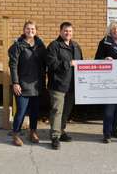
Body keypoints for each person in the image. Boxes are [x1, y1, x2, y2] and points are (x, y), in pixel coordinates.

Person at [8, 20, 46, 147]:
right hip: (22, 84)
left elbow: (45, 62)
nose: (30, 31)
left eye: (33, 29)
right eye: (28, 29)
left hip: (36, 84)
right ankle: (16, 134)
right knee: (21, 111)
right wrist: (15, 82)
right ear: (24, 30)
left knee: (35, 111)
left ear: (36, 31)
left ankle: (33, 131)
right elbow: (13, 65)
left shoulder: (40, 45)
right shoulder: (18, 45)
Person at [46, 22, 83, 150]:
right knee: (57, 111)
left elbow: (81, 64)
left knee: (66, 111)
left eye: (70, 31)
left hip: (72, 85)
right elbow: (51, 63)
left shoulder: (76, 46)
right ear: (60, 31)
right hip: (58, 85)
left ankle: (61, 131)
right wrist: (68, 63)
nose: (68, 33)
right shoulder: (54, 46)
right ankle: (55, 137)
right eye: (65, 31)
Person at [95, 21, 117, 143]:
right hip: (108, 80)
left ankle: (114, 129)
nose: (116, 31)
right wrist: (104, 59)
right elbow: (97, 58)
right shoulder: (104, 42)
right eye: (114, 29)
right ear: (110, 30)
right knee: (109, 107)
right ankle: (107, 133)